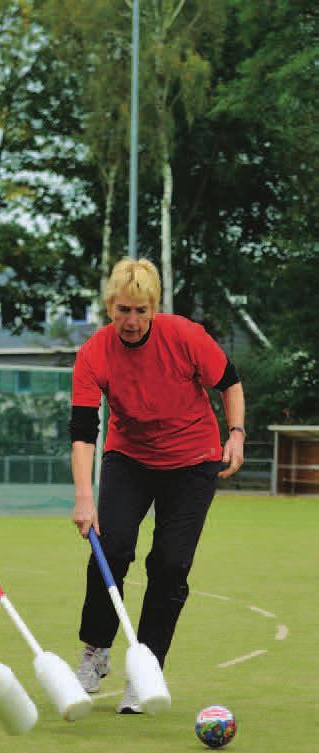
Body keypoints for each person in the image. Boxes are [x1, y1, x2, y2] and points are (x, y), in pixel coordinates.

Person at [70, 257, 245, 713]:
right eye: (123, 310)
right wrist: (84, 499)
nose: (131, 321)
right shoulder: (94, 353)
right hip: (129, 457)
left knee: (169, 564)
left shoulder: (186, 336)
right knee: (110, 548)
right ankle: (95, 650)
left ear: (154, 308)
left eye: (140, 311)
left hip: (192, 461)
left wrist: (237, 434)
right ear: (110, 307)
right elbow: (83, 431)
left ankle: (145, 667)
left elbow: (230, 383)